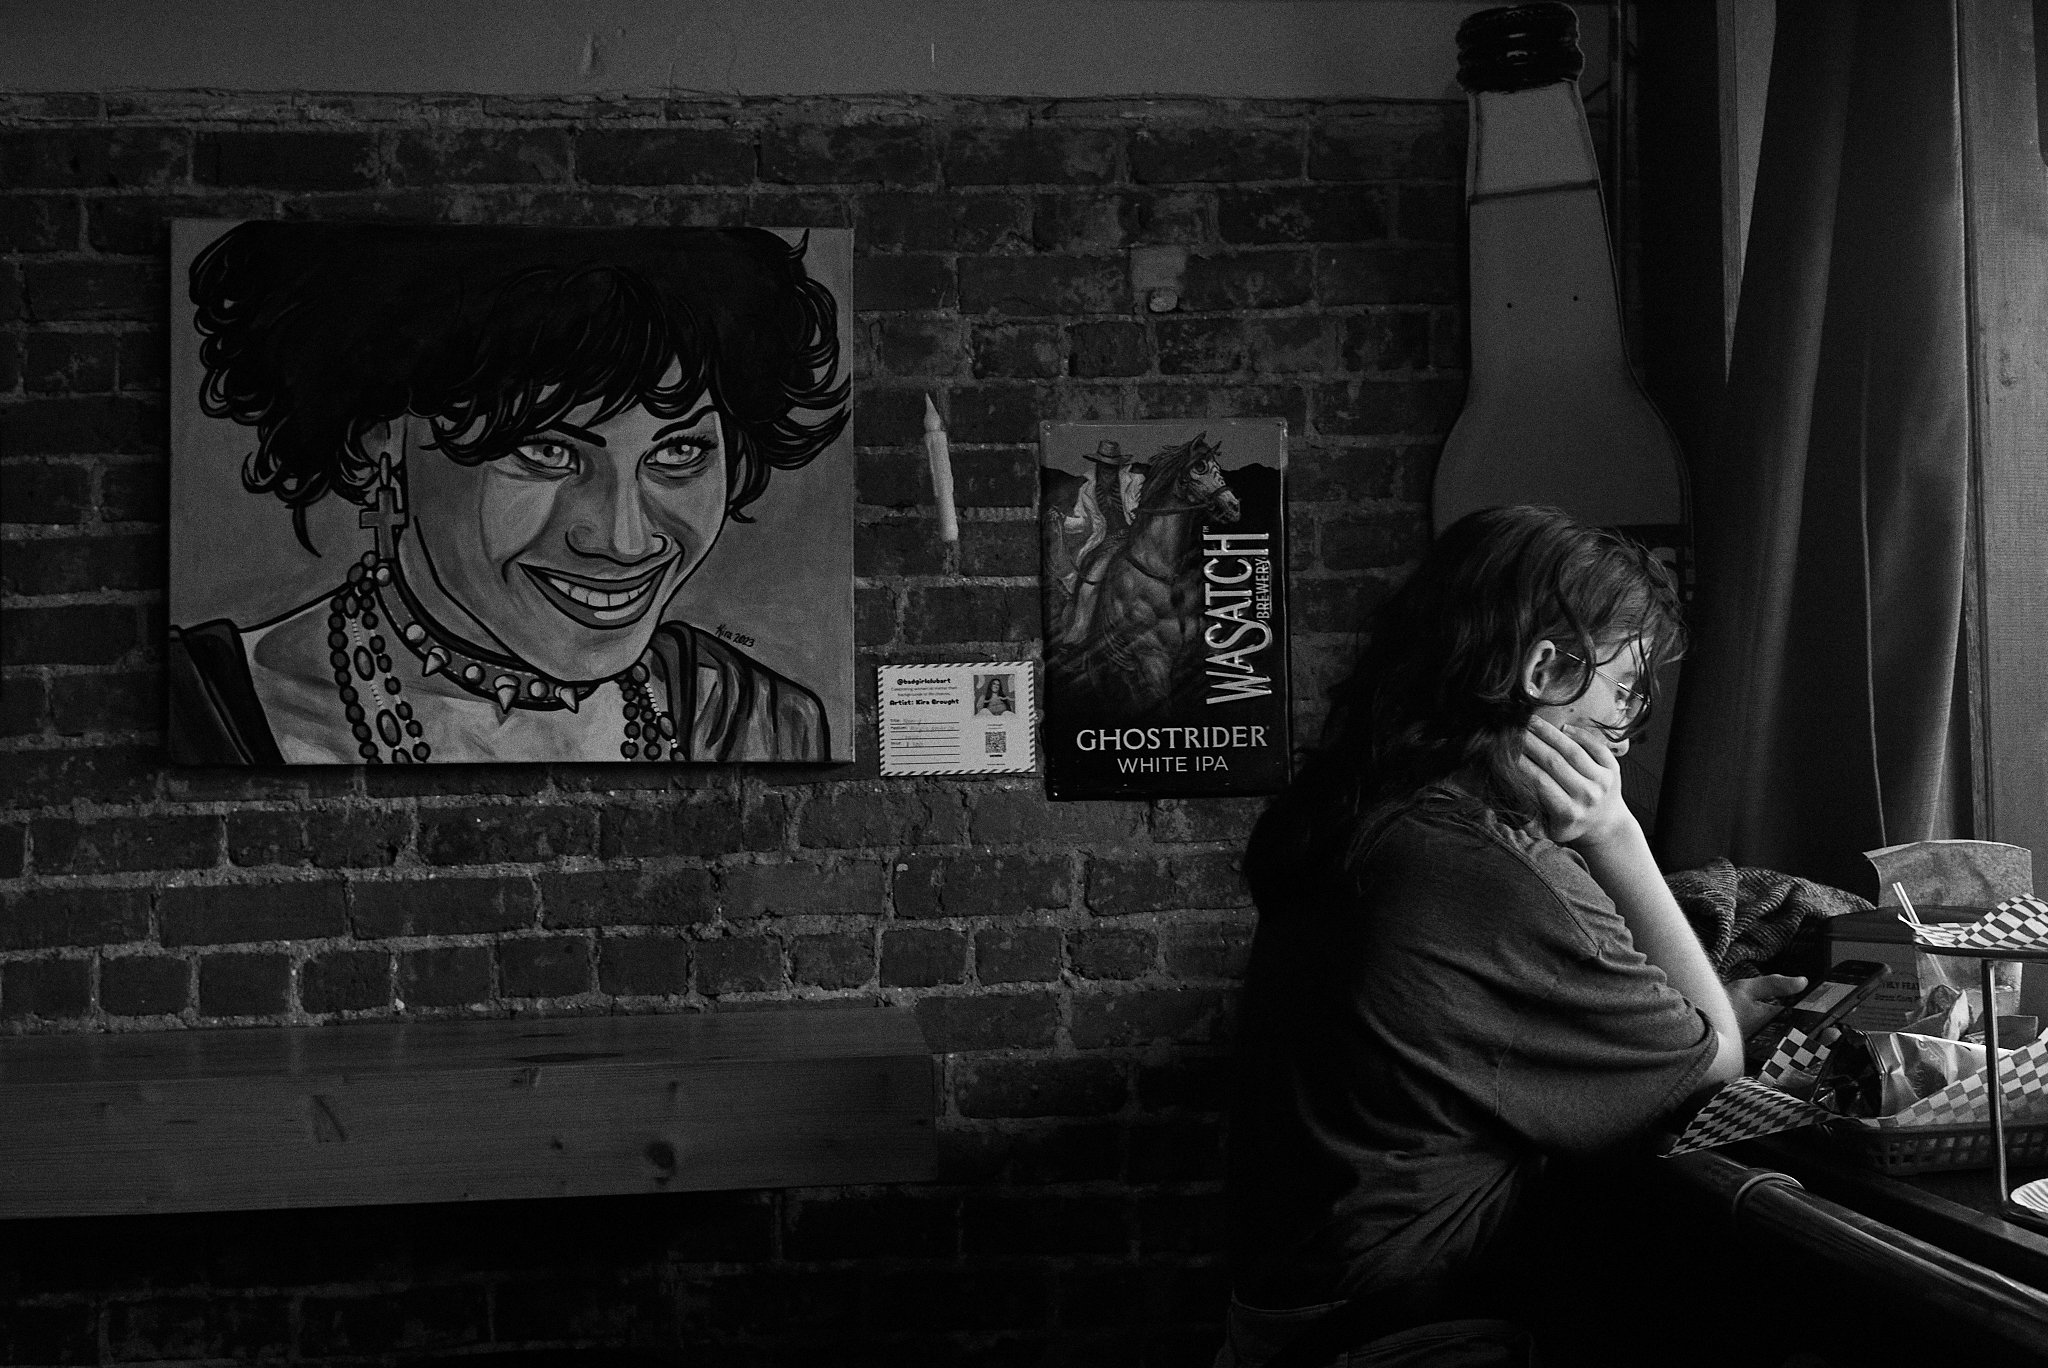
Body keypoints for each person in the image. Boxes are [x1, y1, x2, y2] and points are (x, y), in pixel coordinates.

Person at [1219, 505, 1805, 1367]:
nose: (1629, 720)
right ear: (1547, 671)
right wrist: (1615, 835)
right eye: (1627, 688)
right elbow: (1711, 1060)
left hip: (1290, 1317)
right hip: (1403, 1338)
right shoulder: (1486, 865)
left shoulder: (1357, 814)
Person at [167, 222, 848, 765]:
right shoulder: (207, 710)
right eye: (548, 451)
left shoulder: (763, 723)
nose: (622, 539)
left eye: (678, 452)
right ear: (382, 433)